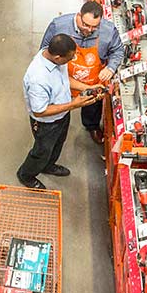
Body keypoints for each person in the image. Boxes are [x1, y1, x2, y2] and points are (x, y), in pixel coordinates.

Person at [18, 34, 102, 190]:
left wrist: (87, 88)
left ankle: (48, 166)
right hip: (46, 123)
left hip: (61, 115)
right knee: (42, 151)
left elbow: (64, 79)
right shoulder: (38, 78)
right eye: (69, 58)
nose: (71, 60)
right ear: (58, 57)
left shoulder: (53, 58)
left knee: (57, 144)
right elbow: (39, 111)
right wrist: (74, 104)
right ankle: (26, 175)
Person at [40, 0, 124, 145]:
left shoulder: (108, 31)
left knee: (91, 106)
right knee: (59, 111)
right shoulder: (59, 26)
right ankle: (56, 128)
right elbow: (45, 51)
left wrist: (110, 67)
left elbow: (118, 50)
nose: (89, 30)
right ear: (79, 16)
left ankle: (91, 125)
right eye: (85, 25)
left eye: (94, 27)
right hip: (63, 79)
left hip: (91, 82)